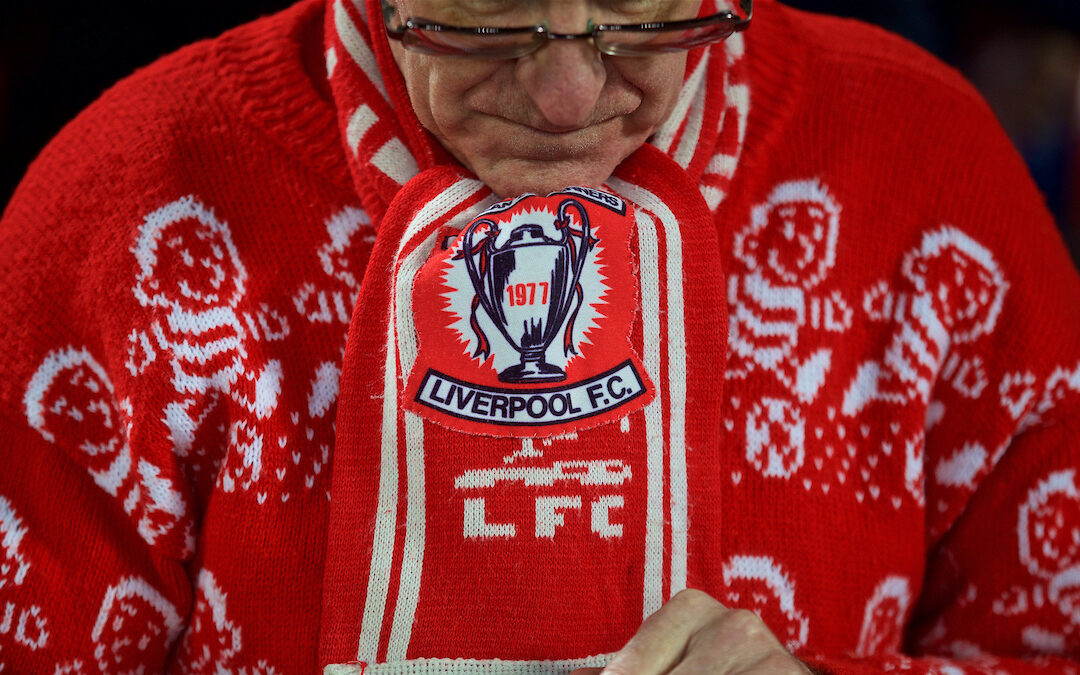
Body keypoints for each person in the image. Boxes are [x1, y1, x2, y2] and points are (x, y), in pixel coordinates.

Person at [1, 0, 1078, 672]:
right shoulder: (121, 215)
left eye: (642, 3)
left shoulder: (929, 176)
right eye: (484, 10)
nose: (567, 96)